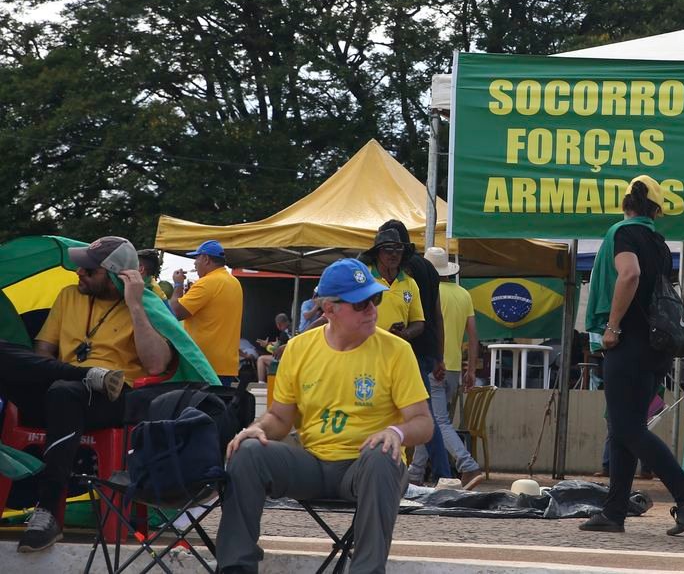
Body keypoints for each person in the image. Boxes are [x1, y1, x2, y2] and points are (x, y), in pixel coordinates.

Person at [215, 258, 432, 574]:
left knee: (382, 455)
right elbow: (279, 418)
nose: (372, 309)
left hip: (366, 467)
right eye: (360, 304)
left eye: (376, 299)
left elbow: (423, 423)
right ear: (328, 309)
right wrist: (256, 428)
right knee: (247, 452)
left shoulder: (396, 350)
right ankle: (235, 567)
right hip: (313, 463)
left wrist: (396, 433)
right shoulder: (300, 349)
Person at [0, 236, 173, 552]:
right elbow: (42, 353)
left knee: (66, 393)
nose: (79, 273)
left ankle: (49, 510)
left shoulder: (143, 305)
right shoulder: (69, 296)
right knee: (17, 362)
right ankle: (85, 375)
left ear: (116, 276)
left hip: (113, 399)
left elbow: (158, 364)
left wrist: (135, 303)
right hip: (60, 390)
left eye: (89, 270)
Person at [580, 174, 684, 535]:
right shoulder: (659, 242)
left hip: (629, 344)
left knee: (625, 426)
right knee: (623, 428)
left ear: (625, 204)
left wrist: (613, 326)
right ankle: (614, 511)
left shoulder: (624, 233)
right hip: (655, 348)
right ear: (656, 211)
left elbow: (629, 274)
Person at [363, 221, 452, 481]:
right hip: (421, 349)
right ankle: (437, 472)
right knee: (422, 413)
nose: (393, 254)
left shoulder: (407, 273)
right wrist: (440, 354)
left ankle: (433, 471)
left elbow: (424, 318)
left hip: (405, 351)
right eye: (387, 249)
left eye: (397, 249)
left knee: (416, 414)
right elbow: (437, 316)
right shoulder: (430, 271)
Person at [406, 247, 486, 489]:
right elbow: (473, 336)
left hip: (433, 363)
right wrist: (471, 369)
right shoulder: (464, 294)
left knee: (438, 421)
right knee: (430, 419)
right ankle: (415, 472)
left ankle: (468, 466)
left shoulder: (427, 291)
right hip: (453, 369)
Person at [170, 239, 243, 385]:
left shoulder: (207, 283)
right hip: (226, 365)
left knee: (197, 407)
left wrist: (178, 285)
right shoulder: (234, 282)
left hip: (202, 364)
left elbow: (175, 312)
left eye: (197, 258)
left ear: (206, 259)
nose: (194, 263)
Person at [255, 313, 292, 383]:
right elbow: (279, 343)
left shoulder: (284, 333)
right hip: (291, 358)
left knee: (261, 359)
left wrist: (266, 346)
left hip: (286, 360)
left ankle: (261, 384)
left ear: (278, 325)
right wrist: (268, 343)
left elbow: (275, 349)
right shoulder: (294, 328)